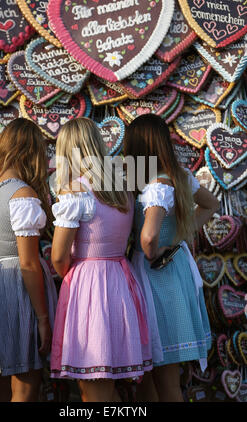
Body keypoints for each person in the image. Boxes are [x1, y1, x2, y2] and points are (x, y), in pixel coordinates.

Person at [49, 117, 163, 403]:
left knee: (93, 383)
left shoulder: (75, 190)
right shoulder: (122, 188)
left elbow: (59, 255)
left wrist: (72, 276)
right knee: (101, 383)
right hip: (120, 280)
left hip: (89, 285)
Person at [123, 114, 219, 402]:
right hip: (172, 271)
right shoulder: (177, 175)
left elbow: (149, 238)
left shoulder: (157, 184)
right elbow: (211, 204)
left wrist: (157, 249)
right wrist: (179, 236)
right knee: (155, 373)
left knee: (163, 372)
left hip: (157, 276)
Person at [0, 118, 57, 402]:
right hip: (17, 289)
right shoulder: (22, 195)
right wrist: (43, 319)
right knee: (26, 383)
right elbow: (28, 263)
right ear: (32, 152)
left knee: (5, 379)